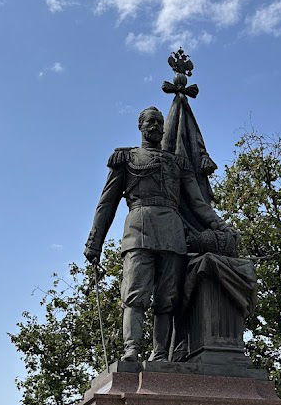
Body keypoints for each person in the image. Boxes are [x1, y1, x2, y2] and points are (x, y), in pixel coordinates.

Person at [84, 106, 231, 361]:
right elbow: (106, 204)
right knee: (135, 294)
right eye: (150, 121)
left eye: (160, 122)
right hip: (138, 230)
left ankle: (160, 353)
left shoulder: (177, 163)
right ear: (140, 126)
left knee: (167, 299)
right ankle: (131, 350)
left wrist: (219, 226)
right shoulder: (126, 159)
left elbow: (198, 203)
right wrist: (94, 243)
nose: (155, 126)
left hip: (172, 234)